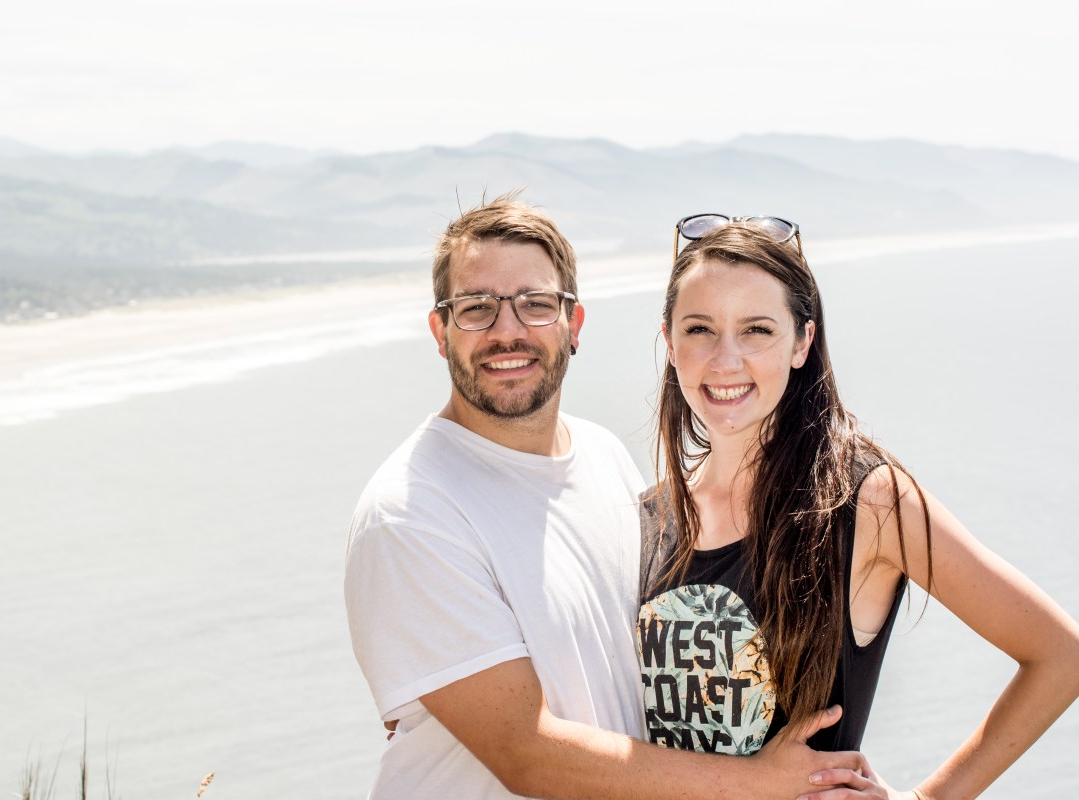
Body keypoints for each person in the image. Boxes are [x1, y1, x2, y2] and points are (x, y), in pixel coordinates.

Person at [345, 195, 868, 799]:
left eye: (536, 304)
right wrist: (758, 783)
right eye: (476, 308)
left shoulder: (602, 455)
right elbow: (526, 755)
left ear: (573, 325)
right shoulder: (410, 512)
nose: (507, 331)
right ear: (441, 332)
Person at [638, 214, 1079, 797]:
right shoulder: (648, 518)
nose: (726, 359)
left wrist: (924, 799)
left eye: (757, 330)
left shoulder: (865, 501)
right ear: (669, 342)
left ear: (802, 342)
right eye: (700, 329)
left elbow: (1060, 656)